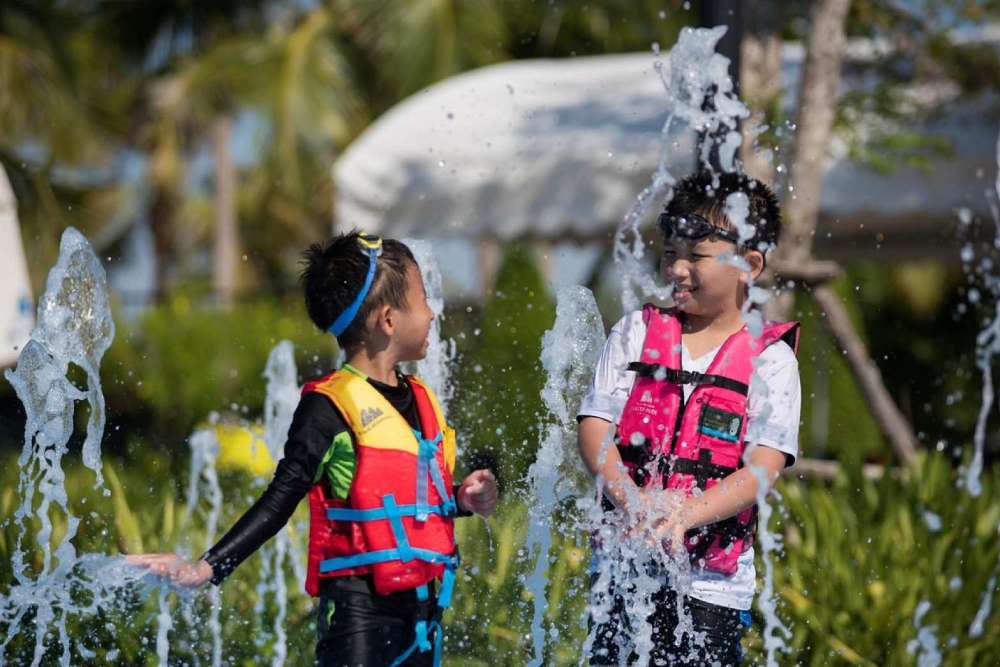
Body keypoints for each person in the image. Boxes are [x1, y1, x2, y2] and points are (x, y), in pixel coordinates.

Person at [128, 231, 499, 667]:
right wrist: (205, 568)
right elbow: (278, 500)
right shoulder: (328, 407)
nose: (433, 313)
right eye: (421, 300)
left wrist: (462, 498)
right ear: (388, 320)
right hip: (359, 617)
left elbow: (416, 501)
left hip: (422, 614)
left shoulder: (421, 399)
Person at [576, 171, 801, 666]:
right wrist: (631, 501)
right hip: (623, 569)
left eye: (694, 256)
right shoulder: (636, 332)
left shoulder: (772, 361)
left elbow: (764, 467)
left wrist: (683, 515)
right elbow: (594, 428)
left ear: (749, 264)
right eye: (669, 252)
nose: (676, 268)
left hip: (712, 591)